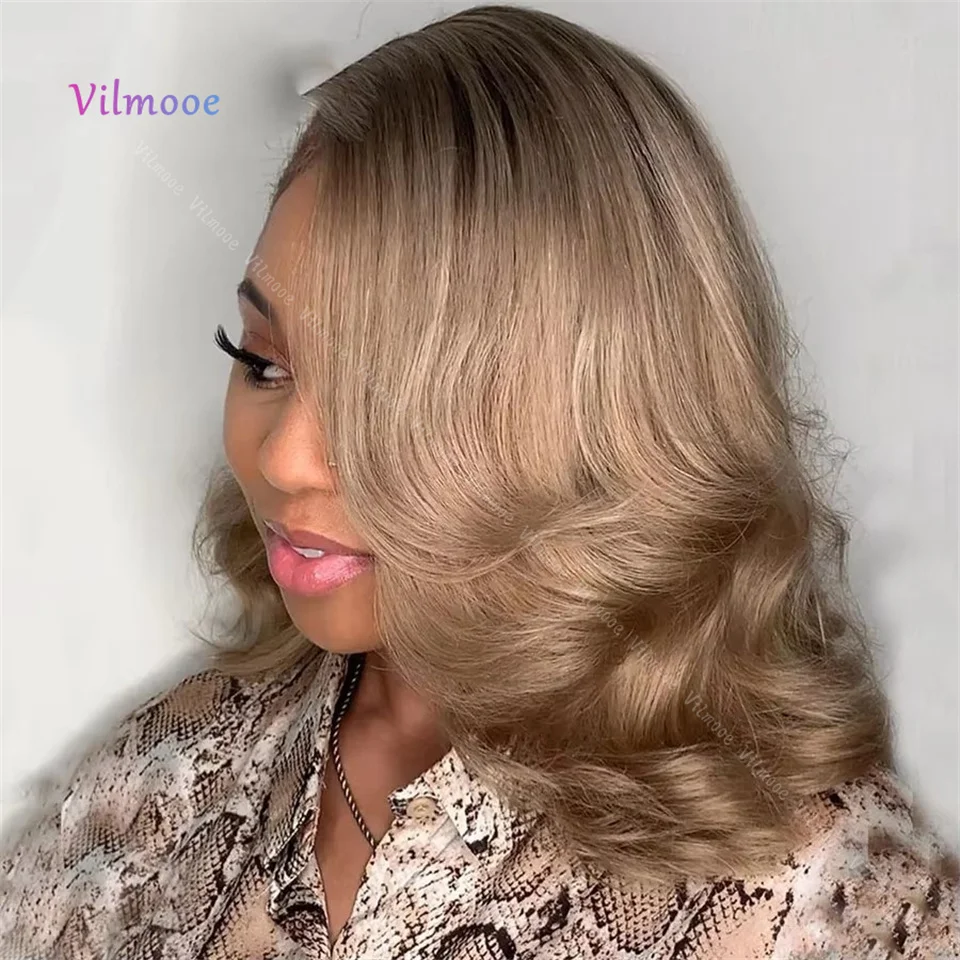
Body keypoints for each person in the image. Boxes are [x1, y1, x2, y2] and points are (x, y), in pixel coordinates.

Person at [1, 5, 957, 959]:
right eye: (263, 361)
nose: (286, 458)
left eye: (388, 399)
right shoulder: (162, 786)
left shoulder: (825, 896)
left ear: (603, 421)